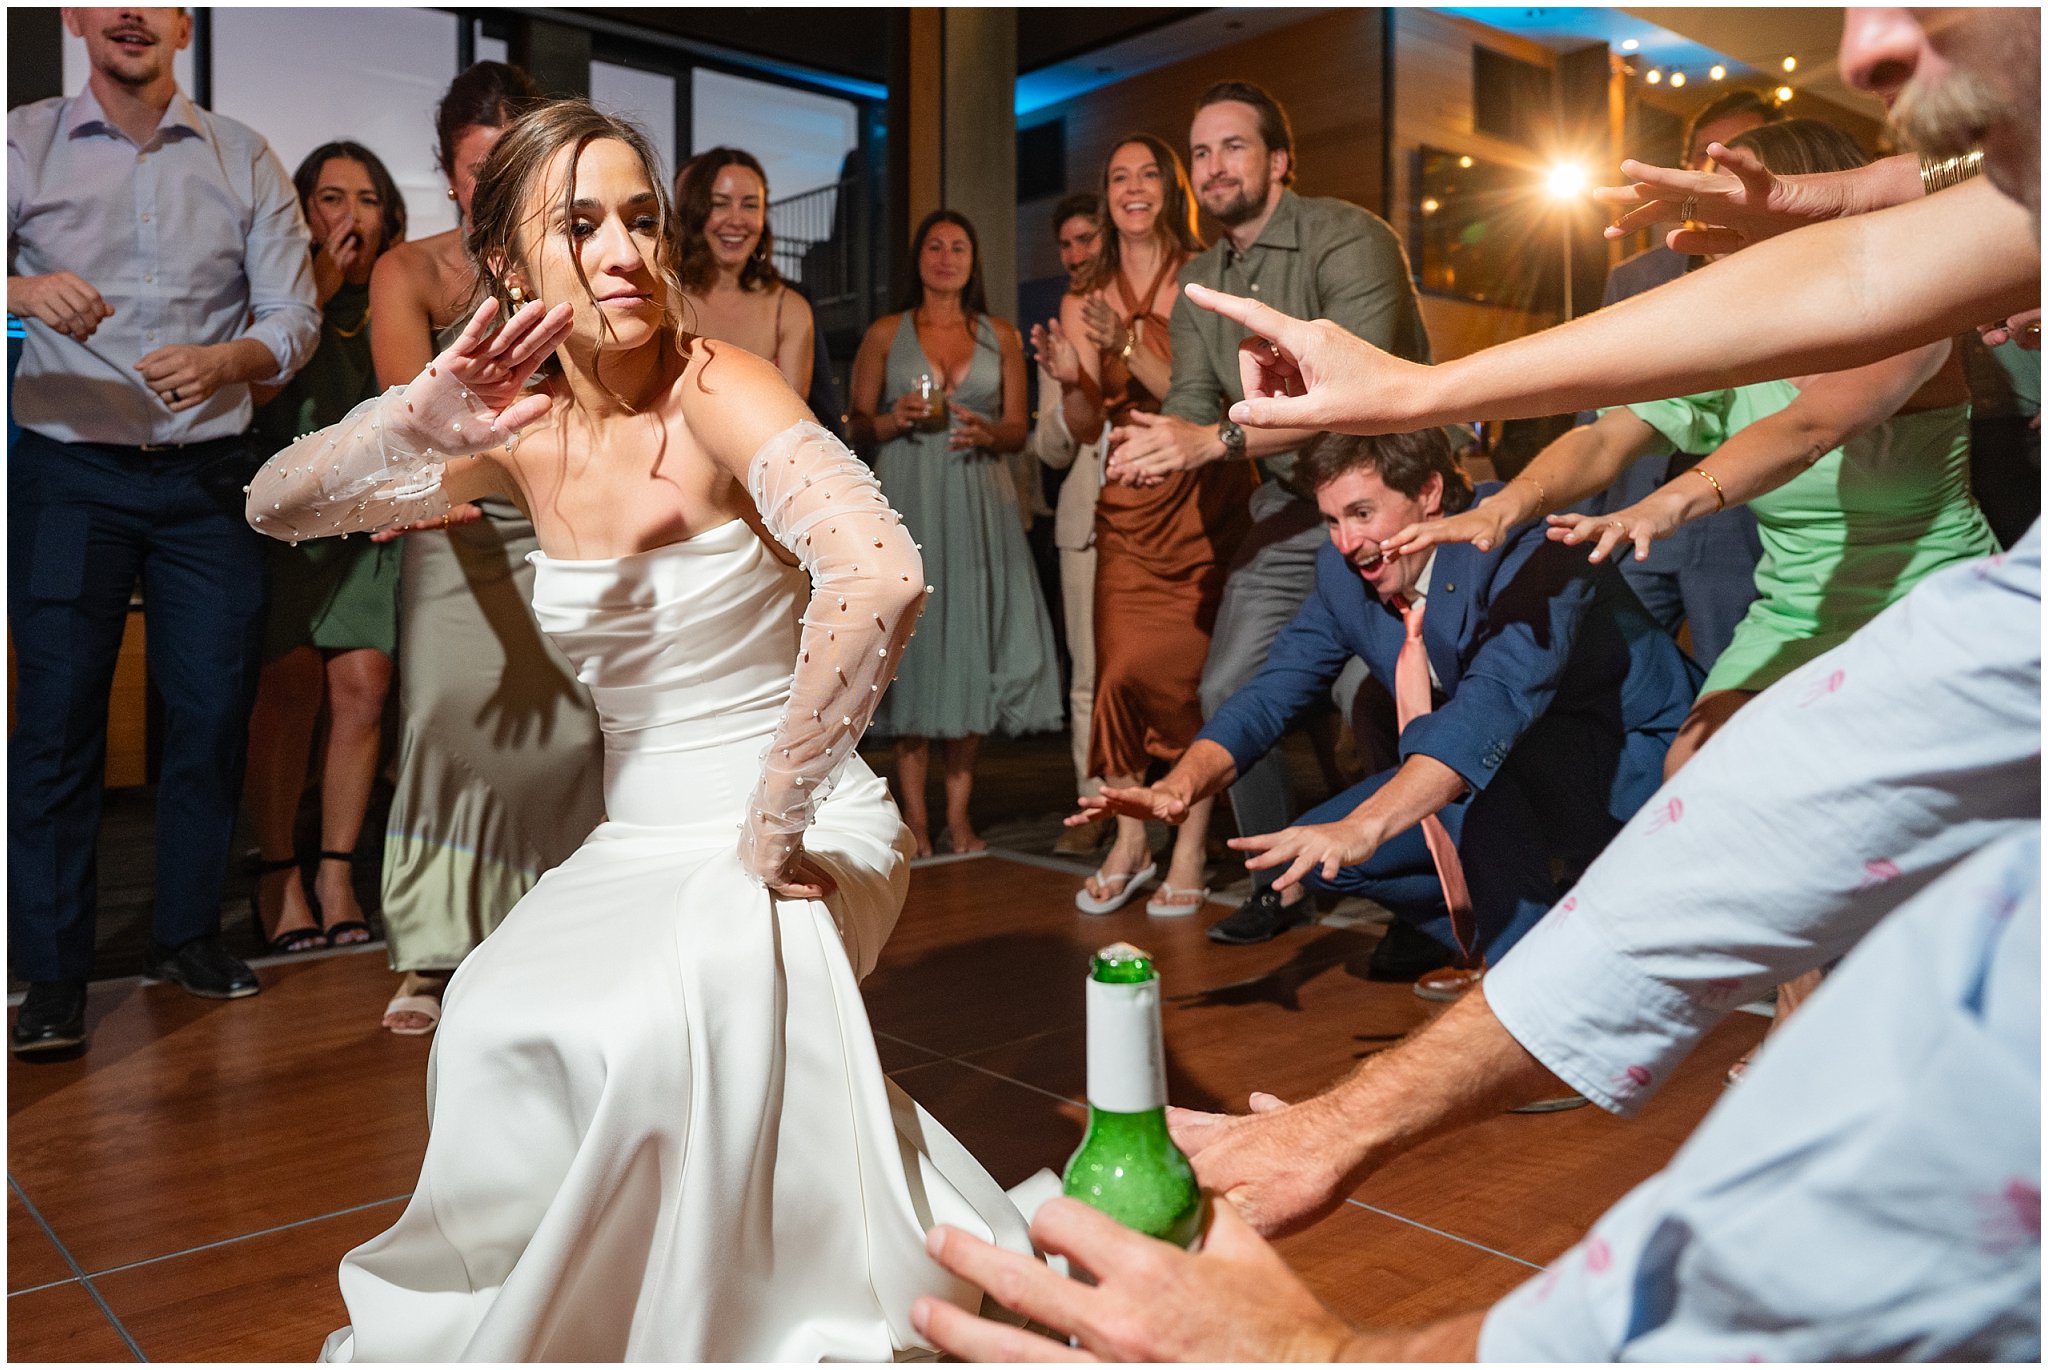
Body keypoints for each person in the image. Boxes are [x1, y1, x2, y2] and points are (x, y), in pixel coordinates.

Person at [895, 5, 2043, 1358]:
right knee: (1727, 809)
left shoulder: (1535, 541)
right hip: (1816, 677)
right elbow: (1285, 690)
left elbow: (1828, 366)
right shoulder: (1365, 553)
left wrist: (1323, 1354)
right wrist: (1336, 1117)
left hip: (1793, 646)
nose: (1865, 46)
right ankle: (1768, 1025)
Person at [250, 100, 1027, 1360]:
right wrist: (416, 419)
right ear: (506, 266)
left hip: (801, 810)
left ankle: (747, 1306)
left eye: (641, 218)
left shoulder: (721, 384)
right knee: (495, 1008)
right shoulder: (516, 430)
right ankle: (615, 1301)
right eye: (579, 224)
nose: (623, 251)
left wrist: (774, 817)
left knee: (693, 994)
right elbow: (277, 507)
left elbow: (878, 574)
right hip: (637, 832)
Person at [1077, 427, 1700, 991]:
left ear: (1430, 493)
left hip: (1643, 757)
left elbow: (1491, 708)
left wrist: (1367, 825)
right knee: (1319, 859)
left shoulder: (1526, 543)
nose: (1348, 542)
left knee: (1471, 773)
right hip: (1519, 761)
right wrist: (1180, 786)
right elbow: (1273, 690)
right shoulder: (1343, 573)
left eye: (1362, 513)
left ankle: (1541, 1004)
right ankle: (1526, 942)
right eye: (1331, 521)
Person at [8, 5, 320, 1052]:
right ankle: (50, 975)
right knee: (55, 723)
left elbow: (294, 317)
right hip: (64, 470)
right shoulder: (22, 140)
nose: (132, 12)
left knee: (211, 710)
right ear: (75, 18)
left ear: (184, 25)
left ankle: (185, 933)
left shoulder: (244, 156)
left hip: (208, 482)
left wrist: (231, 361)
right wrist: (19, 287)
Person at [1108, 80, 1433, 946]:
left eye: (1234, 147)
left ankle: (1421, 894)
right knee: (1228, 687)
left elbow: (1350, 400)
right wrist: (1151, 447)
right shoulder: (1202, 282)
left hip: (1396, 494)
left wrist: (1206, 443)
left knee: (1381, 693)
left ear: (1279, 161)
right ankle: (1280, 881)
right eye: (1202, 152)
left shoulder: (1349, 239)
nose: (1214, 167)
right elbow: (1186, 405)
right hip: (1293, 504)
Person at [366, 61, 605, 1035]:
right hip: (454, 520)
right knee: (440, 712)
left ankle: (566, 924)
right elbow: (406, 413)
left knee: (574, 720)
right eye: (475, 168)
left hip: (560, 513)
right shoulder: (411, 271)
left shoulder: (573, 265)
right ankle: (430, 949)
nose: (492, 184)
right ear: (446, 170)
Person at [1055, 134, 1254, 917]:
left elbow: (1203, 403)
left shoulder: (1207, 277)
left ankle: (1191, 843)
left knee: (1186, 681)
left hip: (1201, 498)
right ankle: (1132, 837)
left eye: (1146, 175)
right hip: (1129, 503)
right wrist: (1072, 377)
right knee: (1120, 674)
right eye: (1116, 176)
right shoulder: (1082, 296)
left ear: (1171, 188)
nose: (1132, 188)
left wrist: (1128, 345)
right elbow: (1080, 428)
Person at [849, 210, 1063, 855]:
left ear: (974, 260)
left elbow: (1019, 429)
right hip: (909, 492)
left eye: (959, 247)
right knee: (917, 645)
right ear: (918, 259)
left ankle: (961, 815)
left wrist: (987, 432)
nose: (946, 257)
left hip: (979, 495)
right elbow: (857, 424)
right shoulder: (887, 332)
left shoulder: (1000, 334)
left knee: (971, 639)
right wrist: (894, 418)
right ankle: (915, 816)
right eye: (935, 247)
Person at [241, 141, 409, 955]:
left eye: (368, 199)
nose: (351, 215)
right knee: (289, 688)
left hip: (370, 521)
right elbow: (261, 391)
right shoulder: (281, 295)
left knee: (364, 686)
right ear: (302, 210)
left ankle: (338, 872)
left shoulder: (401, 291)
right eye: (331, 197)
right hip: (287, 519)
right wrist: (323, 286)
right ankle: (278, 873)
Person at [1580, 88, 1778, 671]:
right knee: (1616, 675)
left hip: (1738, 515)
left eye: (1736, 153)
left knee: (1735, 676)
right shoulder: (1635, 276)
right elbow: (1596, 396)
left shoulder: (1788, 262)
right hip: (1638, 505)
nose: (1716, 168)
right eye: (1704, 154)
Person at [1025, 192, 1110, 859]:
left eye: (1088, 239)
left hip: (1158, 511)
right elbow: (1049, 449)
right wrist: (1063, 390)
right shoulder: (1061, 322)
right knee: (1088, 676)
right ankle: (1094, 811)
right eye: (1068, 244)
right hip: (1084, 519)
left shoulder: (1139, 310)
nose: (1078, 254)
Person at [673, 146, 815, 394]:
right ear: (694, 212)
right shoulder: (661, 299)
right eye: (719, 204)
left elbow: (793, 425)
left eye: (750, 206)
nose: (736, 220)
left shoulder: (790, 310)